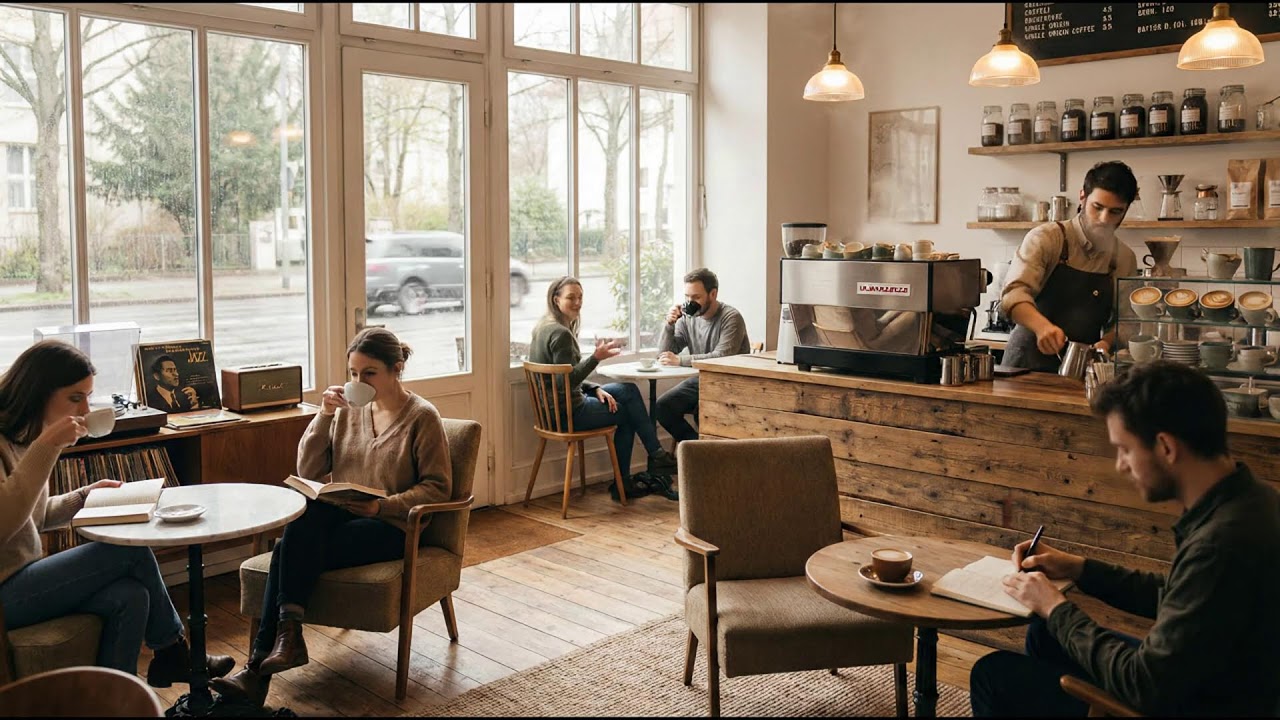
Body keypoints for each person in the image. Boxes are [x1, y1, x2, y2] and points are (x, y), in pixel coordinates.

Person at [969, 361, 1280, 716]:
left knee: (992, 675)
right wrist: (1081, 569)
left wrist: (1056, 606)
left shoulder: (1220, 544)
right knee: (1046, 634)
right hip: (1215, 682)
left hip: (1198, 703)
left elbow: (1142, 684)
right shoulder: (1251, 499)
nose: (1120, 465)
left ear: (1165, 447)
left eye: (1125, 449)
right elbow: (1178, 597)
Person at [211, 327, 453, 706]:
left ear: (397, 368)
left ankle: (258, 668)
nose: (358, 382)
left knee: (285, 553)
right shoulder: (347, 411)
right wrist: (323, 416)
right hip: (342, 514)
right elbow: (307, 468)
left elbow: (438, 488)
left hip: (392, 527)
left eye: (369, 373)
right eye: (353, 373)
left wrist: (382, 506)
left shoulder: (422, 416)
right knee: (305, 518)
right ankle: (286, 639)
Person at [0, 340, 233, 686]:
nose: (85, 409)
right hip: (6, 592)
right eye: (75, 398)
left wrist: (82, 497)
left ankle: (115, 699)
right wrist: (47, 446)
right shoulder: (20, 444)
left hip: (25, 577)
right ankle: (173, 650)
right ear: (38, 393)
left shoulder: (24, 440)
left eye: (89, 397)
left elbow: (34, 517)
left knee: (131, 596)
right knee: (127, 548)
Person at [529, 276, 678, 501]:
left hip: (551, 412)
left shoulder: (543, 325)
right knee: (627, 413)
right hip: (568, 413)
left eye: (580, 297)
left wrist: (594, 388)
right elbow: (564, 382)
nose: (577, 302)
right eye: (571, 297)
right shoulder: (560, 333)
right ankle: (630, 478)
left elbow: (560, 374)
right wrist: (596, 358)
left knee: (627, 390)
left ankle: (651, 458)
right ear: (556, 299)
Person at [1001, 161, 1139, 371]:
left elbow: (1127, 322)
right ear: (1082, 197)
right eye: (1098, 207)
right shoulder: (1047, 238)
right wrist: (1042, 327)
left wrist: (1106, 343)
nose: (1104, 219)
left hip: (1080, 369)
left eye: (1115, 212)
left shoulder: (1124, 258)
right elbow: (1012, 295)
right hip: (1024, 368)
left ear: (1126, 209)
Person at [654, 268, 751, 448]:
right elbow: (664, 354)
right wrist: (669, 325)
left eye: (696, 297)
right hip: (702, 381)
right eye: (687, 297)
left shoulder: (731, 317)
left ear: (712, 294)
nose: (690, 302)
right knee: (662, 407)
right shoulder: (688, 317)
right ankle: (699, 452)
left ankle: (707, 457)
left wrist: (681, 360)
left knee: (704, 409)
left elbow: (722, 357)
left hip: (730, 382)